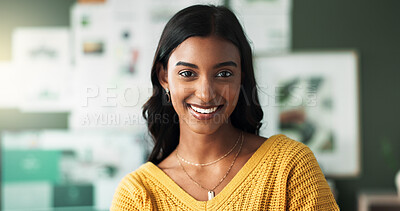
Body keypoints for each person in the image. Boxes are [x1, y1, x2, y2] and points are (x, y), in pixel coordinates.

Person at [111, 4, 339, 210]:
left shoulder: (290, 168)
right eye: (187, 74)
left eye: (223, 74)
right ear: (164, 77)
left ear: (241, 78)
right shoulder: (138, 195)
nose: (205, 93)